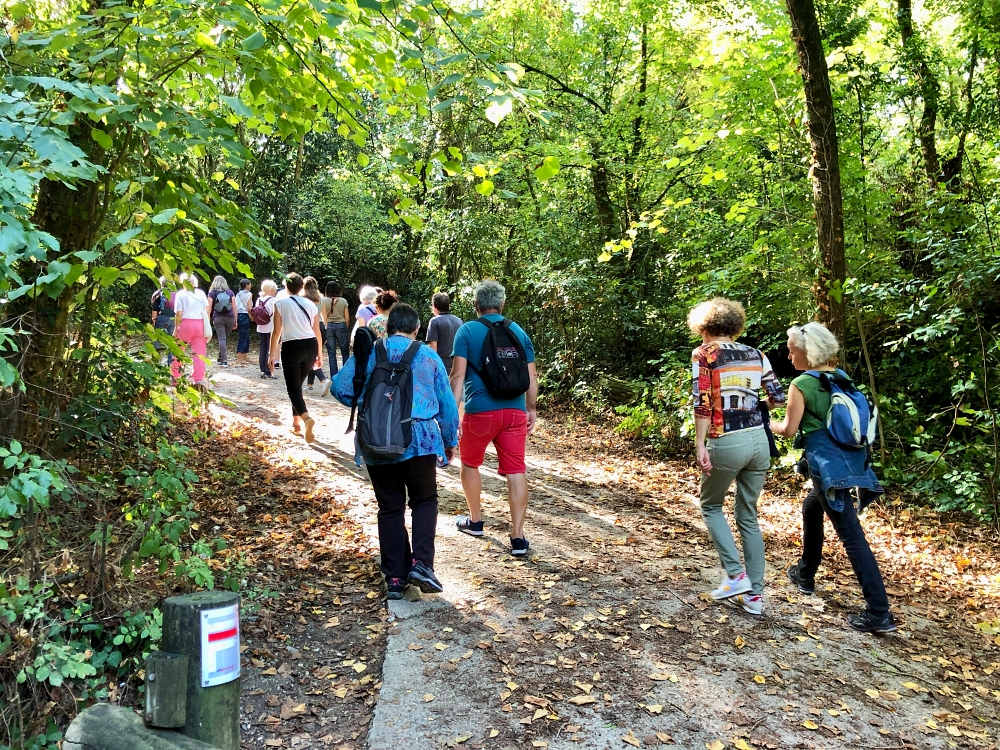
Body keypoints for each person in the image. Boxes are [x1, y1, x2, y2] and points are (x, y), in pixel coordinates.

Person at [770, 322, 896, 633]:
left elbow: (788, 429)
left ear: (807, 352)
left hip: (827, 467)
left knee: (852, 536)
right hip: (852, 461)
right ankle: (805, 573)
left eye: (792, 350)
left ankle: (878, 611)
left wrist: (762, 420)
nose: (789, 356)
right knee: (811, 508)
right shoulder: (842, 379)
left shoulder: (802, 383)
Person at [332, 303, 459, 600]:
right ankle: (422, 565)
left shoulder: (372, 352)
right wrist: (450, 440)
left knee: (389, 507)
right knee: (424, 500)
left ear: (388, 327)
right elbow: (447, 405)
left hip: (376, 439)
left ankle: (395, 578)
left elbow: (341, 388)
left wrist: (371, 405)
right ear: (417, 329)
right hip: (419, 439)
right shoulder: (428, 356)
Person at [689, 298, 785, 616]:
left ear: (703, 327)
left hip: (726, 440)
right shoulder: (756, 354)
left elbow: (702, 402)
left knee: (711, 505)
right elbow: (777, 397)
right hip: (759, 441)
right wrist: (752, 409)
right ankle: (755, 597)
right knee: (748, 515)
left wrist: (700, 443)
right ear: (735, 326)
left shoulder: (704, 354)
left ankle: (736, 576)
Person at [450, 280, 538, 556]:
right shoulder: (519, 332)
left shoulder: (466, 331)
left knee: (470, 463)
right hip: (514, 412)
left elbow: (458, 375)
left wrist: (452, 412)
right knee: (516, 470)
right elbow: (532, 376)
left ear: (476, 305)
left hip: (480, 412)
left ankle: (475, 521)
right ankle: (519, 538)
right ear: (502, 304)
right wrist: (531, 408)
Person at [268, 273, 323, 442]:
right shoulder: (311, 304)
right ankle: (296, 424)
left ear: (286, 286)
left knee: (293, 389)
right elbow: (317, 331)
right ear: (301, 287)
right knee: (297, 386)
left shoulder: (280, 304)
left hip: (291, 347)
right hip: (310, 345)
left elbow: (276, 331)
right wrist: (320, 353)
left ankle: (306, 419)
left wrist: (271, 354)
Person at [171, 272, 210, 387]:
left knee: (178, 350)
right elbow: (206, 310)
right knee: (199, 353)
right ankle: (198, 379)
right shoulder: (201, 293)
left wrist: (175, 329)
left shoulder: (181, 294)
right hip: (200, 324)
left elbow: (179, 313)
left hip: (185, 323)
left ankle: (176, 376)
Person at [302, 276, 331, 397]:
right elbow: (324, 318)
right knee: (313, 356)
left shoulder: (302, 299)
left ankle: (323, 380)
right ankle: (309, 385)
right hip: (321, 328)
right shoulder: (321, 299)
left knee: (309, 358)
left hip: (309, 328)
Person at [426, 292, 464, 373]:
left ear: (434, 307)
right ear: (449, 306)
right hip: (458, 370)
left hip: (441, 370)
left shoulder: (435, 321)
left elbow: (433, 350)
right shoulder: (459, 321)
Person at [322, 281, 351, 373]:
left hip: (328, 326)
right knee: (345, 352)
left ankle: (334, 375)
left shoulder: (323, 301)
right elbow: (347, 318)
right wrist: (345, 328)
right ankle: (345, 373)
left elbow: (323, 317)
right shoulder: (343, 301)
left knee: (331, 353)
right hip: (341, 325)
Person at [208, 276, 236, 367]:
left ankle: (224, 360)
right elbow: (234, 307)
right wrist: (235, 320)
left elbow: (209, 308)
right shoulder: (230, 292)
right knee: (225, 338)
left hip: (218, 318)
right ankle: (221, 358)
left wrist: (208, 320)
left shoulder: (212, 293)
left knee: (222, 338)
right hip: (230, 318)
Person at [255, 279, 278, 379]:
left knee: (263, 348)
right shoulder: (273, 301)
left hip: (260, 327)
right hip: (270, 328)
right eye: (274, 289)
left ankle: (262, 369)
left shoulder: (259, 300)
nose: (276, 291)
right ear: (271, 290)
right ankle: (269, 371)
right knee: (270, 350)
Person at [151, 277, 175, 366]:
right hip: (173, 318)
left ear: (162, 283)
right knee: (171, 341)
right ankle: (170, 363)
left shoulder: (159, 293)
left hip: (162, 318)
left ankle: (157, 361)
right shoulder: (176, 294)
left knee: (156, 340)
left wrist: (154, 320)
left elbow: (155, 309)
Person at [234, 279, 253, 367]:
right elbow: (249, 308)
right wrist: (251, 317)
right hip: (245, 315)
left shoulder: (238, 294)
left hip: (239, 315)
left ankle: (245, 355)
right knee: (243, 336)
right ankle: (239, 357)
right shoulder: (249, 294)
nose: (251, 286)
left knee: (245, 335)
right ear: (246, 285)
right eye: (250, 284)